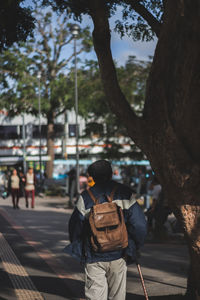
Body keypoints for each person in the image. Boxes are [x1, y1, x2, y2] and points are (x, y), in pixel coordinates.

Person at [64, 160, 147, 300]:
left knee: (95, 294)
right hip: (119, 253)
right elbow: (139, 225)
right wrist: (134, 246)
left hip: (93, 254)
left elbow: (75, 226)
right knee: (117, 295)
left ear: (92, 177)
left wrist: (79, 247)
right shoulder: (124, 193)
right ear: (111, 174)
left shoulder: (85, 197)